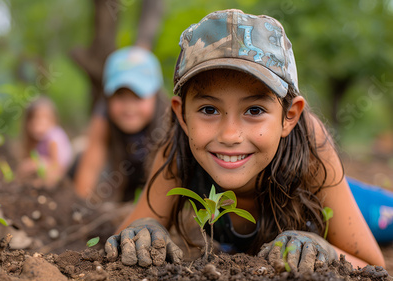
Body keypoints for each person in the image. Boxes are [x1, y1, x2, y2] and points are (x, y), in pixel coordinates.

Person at [104, 9, 385, 271]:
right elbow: (125, 238)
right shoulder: (177, 147)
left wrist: (326, 249)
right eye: (209, 110)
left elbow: (373, 265)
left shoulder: (312, 143)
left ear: (289, 116)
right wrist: (142, 228)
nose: (229, 136)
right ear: (183, 115)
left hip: (348, 203)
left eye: (254, 110)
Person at [74, 46, 169, 204]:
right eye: (120, 95)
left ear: (155, 95)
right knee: (79, 154)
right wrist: (79, 209)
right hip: (119, 175)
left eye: (138, 96)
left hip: (152, 179)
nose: (129, 107)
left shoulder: (168, 120)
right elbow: (90, 167)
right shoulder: (103, 115)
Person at [18, 96, 73, 189]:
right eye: (36, 119)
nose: (40, 123)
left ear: (53, 120)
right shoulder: (38, 142)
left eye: (45, 119)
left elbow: (58, 167)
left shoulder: (54, 137)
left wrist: (36, 165)